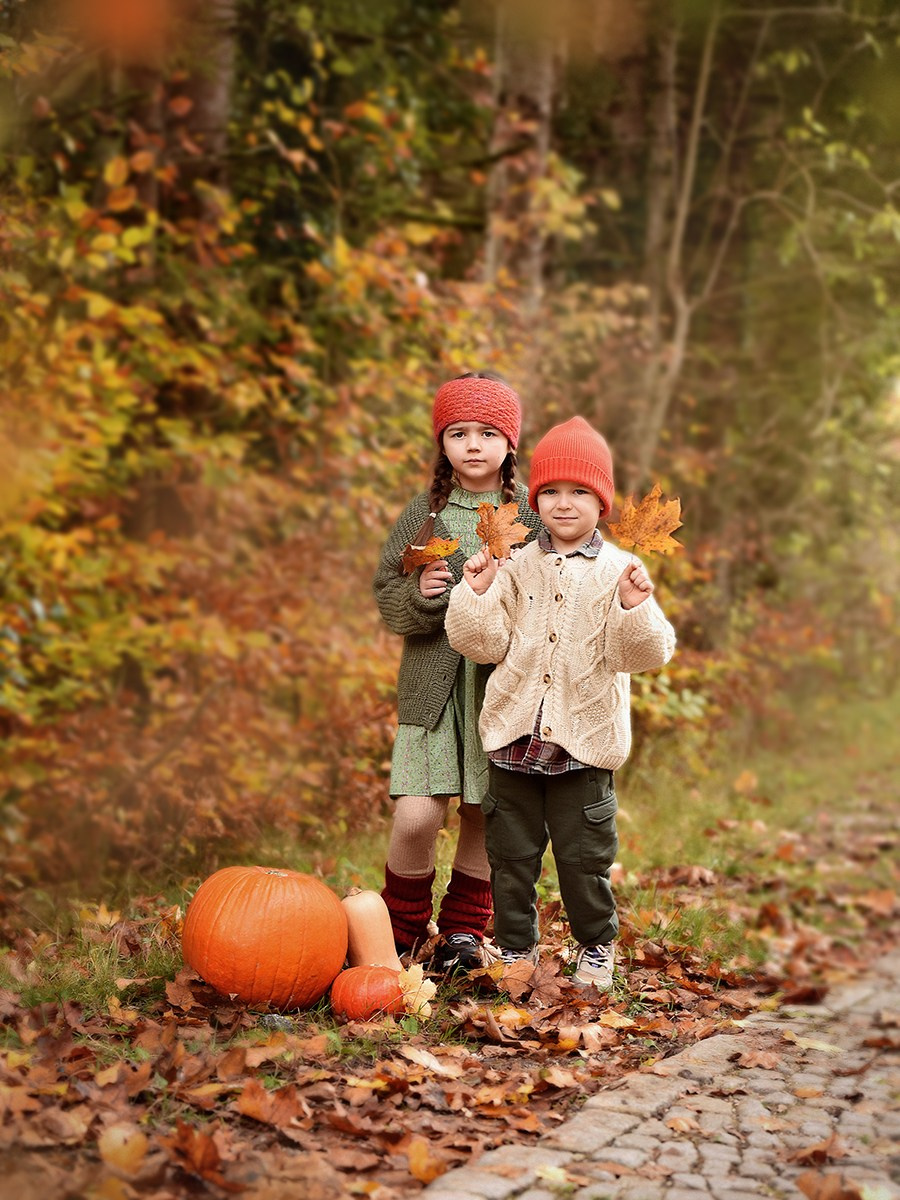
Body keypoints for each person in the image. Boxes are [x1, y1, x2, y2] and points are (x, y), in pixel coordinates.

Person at [444, 415, 676, 989]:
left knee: (583, 858)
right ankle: (515, 945)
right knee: (511, 856)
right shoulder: (515, 563)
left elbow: (642, 654)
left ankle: (596, 946)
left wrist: (632, 607)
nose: (564, 504)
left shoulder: (620, 569)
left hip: (583, 746)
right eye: (550, 492)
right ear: (535, 497)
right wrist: (475, 593)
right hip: (514, 739)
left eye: (580, 493)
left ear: (602, 502)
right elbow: (484, 643)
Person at [373, 372, 542, 973]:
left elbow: (557, 595)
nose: (473, 444)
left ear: (510, 444)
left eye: (488, 432)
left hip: (501, 690)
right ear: (442, 444)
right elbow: (387, 591)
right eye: (458, 433)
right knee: (418, 815)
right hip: (433, 691)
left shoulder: (532, 515)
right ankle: (401, 932)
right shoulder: (427, 514)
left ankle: (464, 932)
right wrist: (420, 593)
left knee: (484, 811)